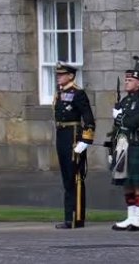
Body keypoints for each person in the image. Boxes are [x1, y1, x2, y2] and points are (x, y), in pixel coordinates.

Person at [111, 57, 139, 232]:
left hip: (135, 143)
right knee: (126, 182)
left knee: (137, 183)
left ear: (138, 83)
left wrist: (120, 117)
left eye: (130, 80)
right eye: (126, 80)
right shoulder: (124, 101)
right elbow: (118, 126)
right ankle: (130, 217)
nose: (127, 83)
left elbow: (134, 122)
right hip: (122, 144)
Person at [53, 62, 96, 229]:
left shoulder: (78, 93)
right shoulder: (60, 93)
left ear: (70, 76)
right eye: (58, 74)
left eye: (62, 74)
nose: (59, 77)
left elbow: (89, 119)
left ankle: (76, 218)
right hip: (62, 136)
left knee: (75, 177)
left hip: (73, 137)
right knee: (66, 177)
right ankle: (68, 218)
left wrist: (85, 141)